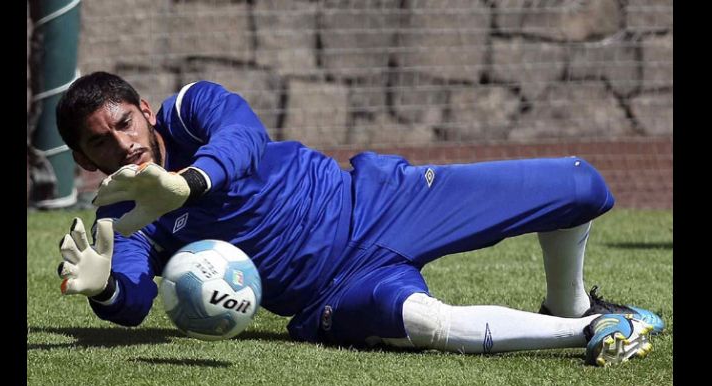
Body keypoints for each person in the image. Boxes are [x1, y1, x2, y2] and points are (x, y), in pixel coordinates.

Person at [55, 71, 664, 366]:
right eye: (100, 142)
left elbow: (243, 135)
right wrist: (106, 286)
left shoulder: (190, 109)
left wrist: (187, 184)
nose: (122, 144)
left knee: (582, 184)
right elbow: (133, 300)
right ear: (85, 160)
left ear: (145, 110)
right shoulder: (126, 214)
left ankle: (570, 303)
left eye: (124, 123)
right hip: (332, 290)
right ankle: (587, 333)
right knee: (423, 322)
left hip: (378, 200)